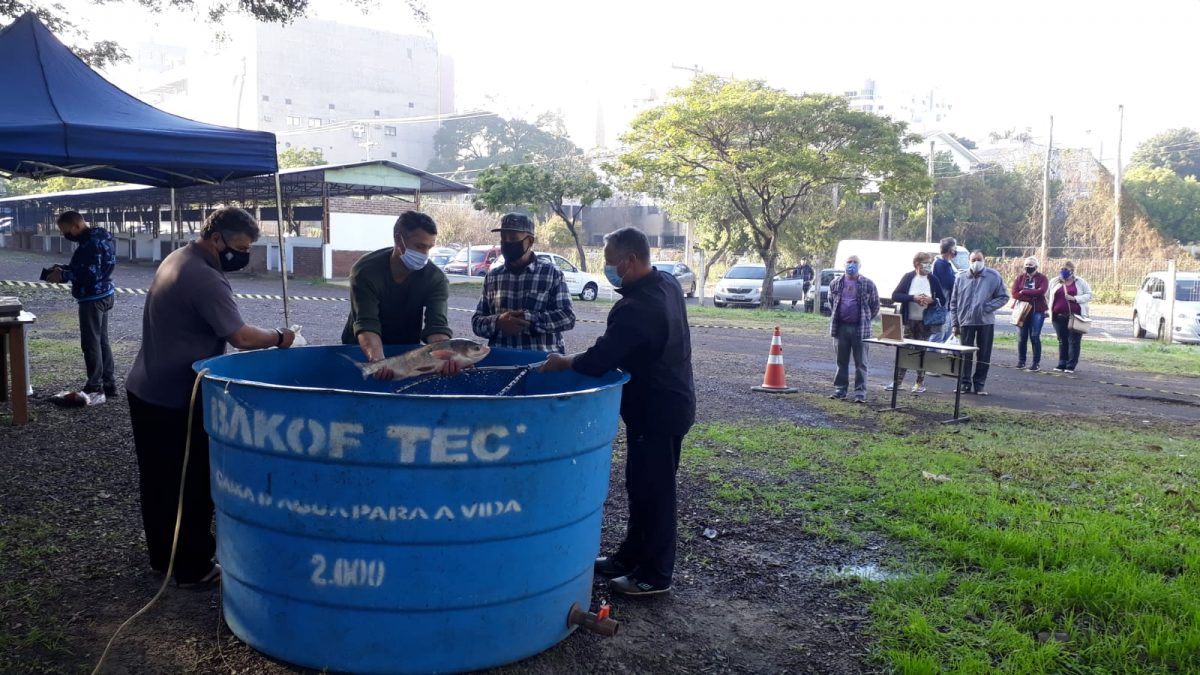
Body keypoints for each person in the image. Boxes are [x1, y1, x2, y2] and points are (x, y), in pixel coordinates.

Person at [125, 207, 297, 587]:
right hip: (175, 396)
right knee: (192, 482)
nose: (244, 255)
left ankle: (163, 558)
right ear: (217, 239)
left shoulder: (178, 257)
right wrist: (281, 337)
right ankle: (192, 568)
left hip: (146, 387)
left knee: (159, 480)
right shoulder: (204, 278)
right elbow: (242, 337)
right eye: (241, 248)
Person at [539, 227, 695, 597]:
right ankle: (630, 557)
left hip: (657, 412)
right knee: (640, 486)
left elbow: (599, 360)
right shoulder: (666, 283)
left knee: (655, 493)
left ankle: (655, 575)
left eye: (610, 262)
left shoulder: (639, 308)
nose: (607, 269)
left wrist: (563, 363)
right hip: (669, 403)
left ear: (630, 261)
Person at [341, 211, 455, 379]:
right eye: (419, 246)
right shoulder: (365, 271)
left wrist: (447, 358)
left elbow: (437, 326)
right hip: (361, 350)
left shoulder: (435, 278)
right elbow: (366, 323)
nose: (424, 255)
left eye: (429, 248)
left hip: (406, 349)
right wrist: (377, 362)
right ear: (398, 239)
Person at [471, 213, 576, 353]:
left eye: (513, 238)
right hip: (502, 359)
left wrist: (529, 320)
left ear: (530, 241)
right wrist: (498, 322)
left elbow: (568, 317)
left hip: (542, 361)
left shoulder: (551, 273)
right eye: (503, 238)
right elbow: (477, 323)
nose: (507, 243)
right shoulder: (493, 276)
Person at [44, 211, 117, 405]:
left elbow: (91, 274)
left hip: (92, 298)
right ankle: (109, 384)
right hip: (104, 293)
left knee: (91, 343)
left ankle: (94, 388)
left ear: (76, 226)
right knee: (101, 341)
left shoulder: (90, 244)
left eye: (66, 231)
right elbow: (90, 267)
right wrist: (65, 268)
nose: (65, 235)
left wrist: (64, 276)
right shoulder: (100, 237)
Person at [950, 250, 1009, 396]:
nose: (976, 262)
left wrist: (986, 308)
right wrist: (955, 323)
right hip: (965, 321)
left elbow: (1003, 297)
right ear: (969, 261)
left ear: (984, 260)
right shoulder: (961, 277)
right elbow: (954, 302)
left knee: (984, 355)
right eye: (973, 260)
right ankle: (964, 383)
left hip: (985, 322)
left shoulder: (993, 276)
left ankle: (979, 384)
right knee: (965, 355)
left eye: (979, 259)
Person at [888, 252, 947, 393]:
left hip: (925, 322)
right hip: (909, 321)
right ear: (917, 264)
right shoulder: (909, 277)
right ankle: (897, 382)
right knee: (905, 350)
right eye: (925, 263)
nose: (928, 265)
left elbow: (942, 300)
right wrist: (912, 298)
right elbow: (895, 295)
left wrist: (931, 301)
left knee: (921, 352)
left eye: (930, 263)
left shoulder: (933, 279)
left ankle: (919, 383)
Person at [828, 254, 880, 403]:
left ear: (860, 265)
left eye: (855, 262)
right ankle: (840, 390)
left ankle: (860, 393)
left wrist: (864, 318)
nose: (852, 264)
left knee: (861, 363)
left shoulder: (868, 284)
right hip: (841, 328)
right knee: (841, 362)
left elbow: (875, 306)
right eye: (849, 262)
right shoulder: (835, 283)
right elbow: (832, 302)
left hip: (861, 329)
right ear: (844, 265)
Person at [1047, 261, 1092, 374]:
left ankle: (1071, 365)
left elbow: (1089, 295)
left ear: (1072, 271)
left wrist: (1075, 298)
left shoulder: (1080, 282)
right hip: (1058, 316)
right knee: (1062, 340)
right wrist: (1047, 309)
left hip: (1075, 316)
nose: (1063, 271)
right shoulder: (1054, 281)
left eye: (1066, 269)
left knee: (1074, 341)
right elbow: (1047, 296)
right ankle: (1062, 363)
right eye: (1062, 269)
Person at [1010, 256, 1049, 371]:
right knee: (1022, 337)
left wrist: (1024, 292)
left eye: (1031, 265)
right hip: (1022, 310)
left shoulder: (1043, 278)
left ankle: (1036, 363)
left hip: (1037, 310)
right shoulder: (1020, 278)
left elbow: (1041, 291)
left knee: (1034, 336)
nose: (1028, 267)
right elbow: (1014, 293)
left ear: (1036, 266)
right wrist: (1031, 295)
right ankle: (1021, 361)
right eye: (1026, 265)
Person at [929, 237, 959, 343]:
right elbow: (951, 283)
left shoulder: (947, 264)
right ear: (950, 249)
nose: (956, 250)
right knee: (937, 337)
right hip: (941, 307)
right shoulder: (940, 264)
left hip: (947, 307)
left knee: (947, 337)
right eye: (955, 248)